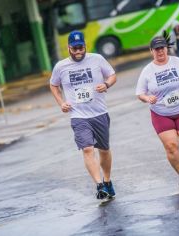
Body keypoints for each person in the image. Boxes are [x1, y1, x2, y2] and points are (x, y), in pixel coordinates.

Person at [50, 30, 117, 201]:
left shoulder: (97, 59)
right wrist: (61, 103)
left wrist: (106, 84)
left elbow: (112, 75)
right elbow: (53, 85)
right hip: (78, 115)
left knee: (104, 150)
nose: (78, 51)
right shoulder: (61, 66)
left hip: (100, 112)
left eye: (81, 48)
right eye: (75, 48)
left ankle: (107, 180)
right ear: (68, 48)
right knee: (87, 149)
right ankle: (99, 185)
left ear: (85, 46)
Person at [135, 33, 179, 187]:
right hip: (161, 113)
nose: (160, 52)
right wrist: (147, 98)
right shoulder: (147, 71)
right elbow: (140, 93)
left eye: (162, 48)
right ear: (151, 51)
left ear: (167, 48)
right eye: (156, 49)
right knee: (171, 146)